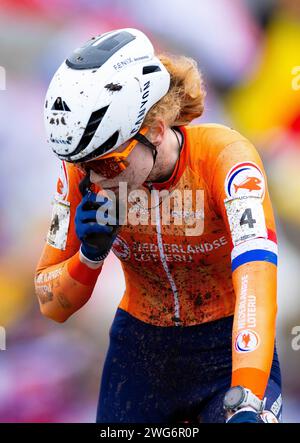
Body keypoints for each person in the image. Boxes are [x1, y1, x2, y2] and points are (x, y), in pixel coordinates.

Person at [35, 28, 282, 423]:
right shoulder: (81, 170)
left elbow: (256, 277)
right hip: (141, 355)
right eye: (84, 165)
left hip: (228, 345)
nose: (96, 181)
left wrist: (248, 395)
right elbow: (51, 306)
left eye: (107, 164)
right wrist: (89, 256)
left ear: (154, 129)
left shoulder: (226, 159)